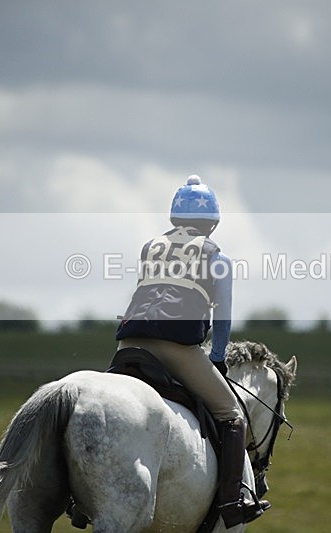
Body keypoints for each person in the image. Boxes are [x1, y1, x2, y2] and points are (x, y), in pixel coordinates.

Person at [116, 175, 269, 527]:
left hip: (129, 343)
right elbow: (223, 318)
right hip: (177, 347)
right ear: (213, 222)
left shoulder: (149, 246)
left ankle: (78, 501)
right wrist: (217, 357)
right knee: (233, 416)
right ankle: (235, 501)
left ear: (174, 217)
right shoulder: (218, 257)